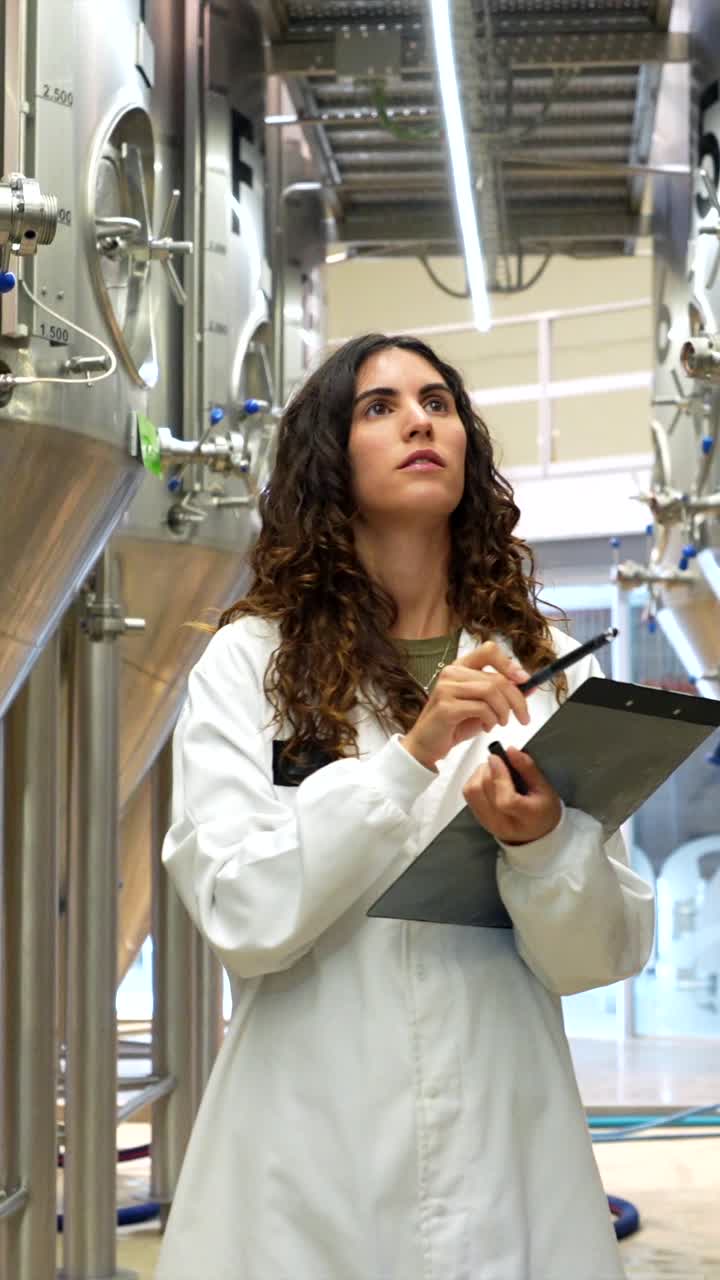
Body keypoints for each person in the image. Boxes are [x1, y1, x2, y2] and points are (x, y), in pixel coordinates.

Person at [155, 333, 655, 1280]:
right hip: (307, 1151)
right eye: (378, 407)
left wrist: (545, 844)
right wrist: (408, 761)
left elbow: (601, 954)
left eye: (438, 401)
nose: (420, 420)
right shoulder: (251, 664)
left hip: (508, 1141)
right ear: (328, 460)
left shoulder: (535, 663)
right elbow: (240, 913)